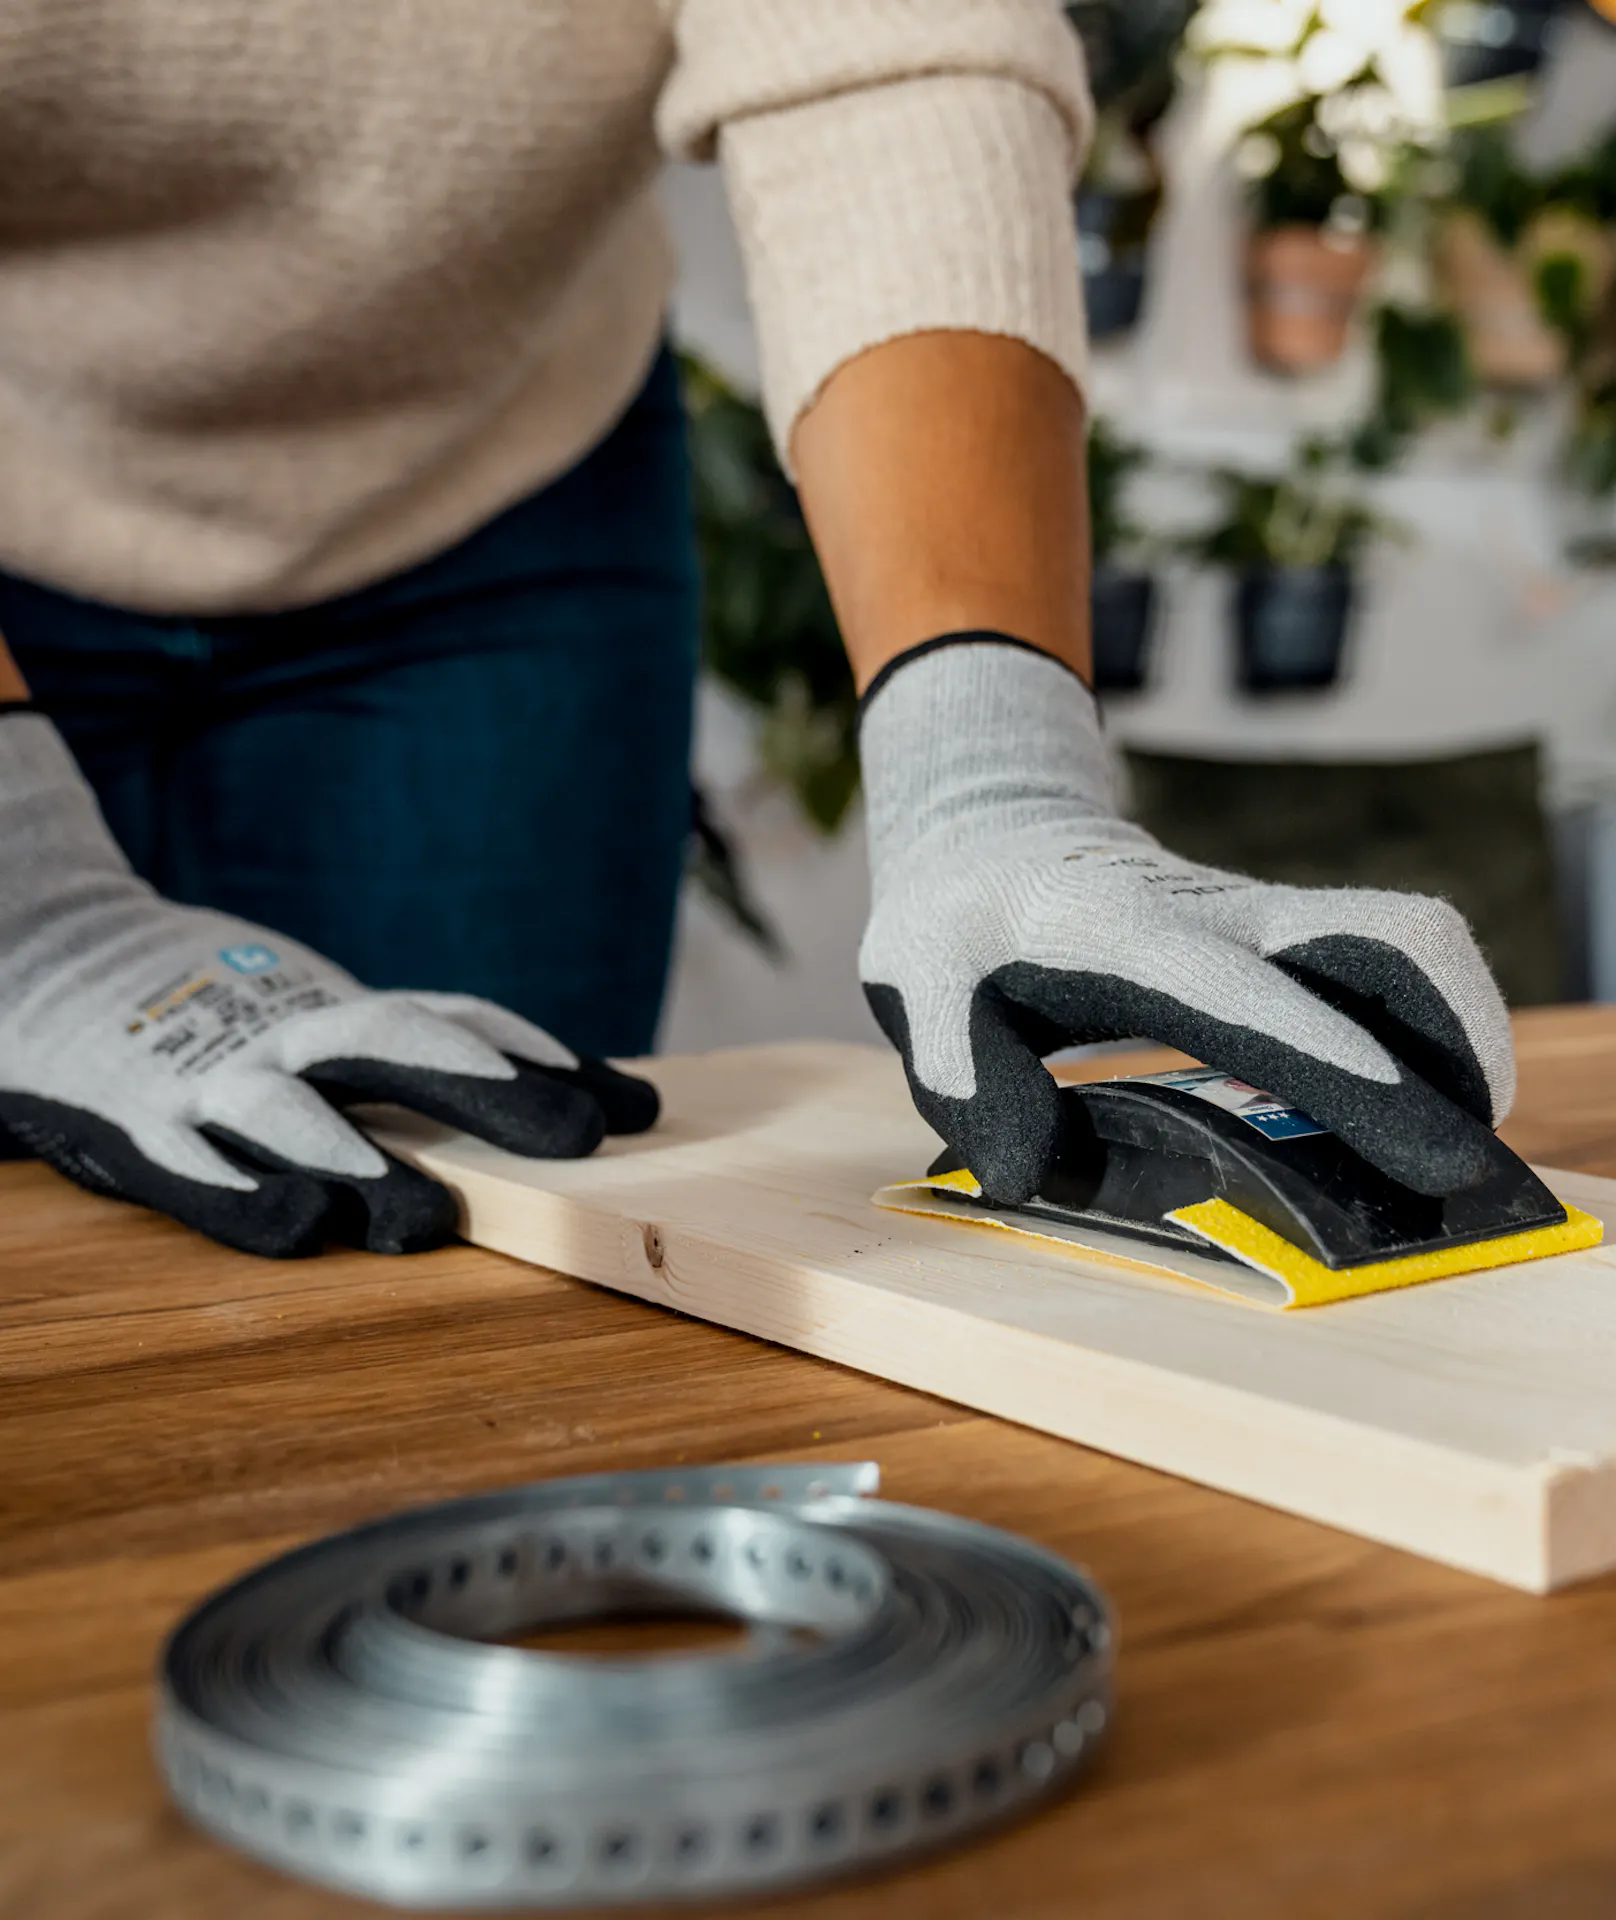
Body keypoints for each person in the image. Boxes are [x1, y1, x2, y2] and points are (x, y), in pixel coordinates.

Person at [0, 2, 1515, 1260]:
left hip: (498, 485)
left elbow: (895, 65)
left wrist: (992, 769)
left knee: (497, 1227)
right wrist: (31, 917)